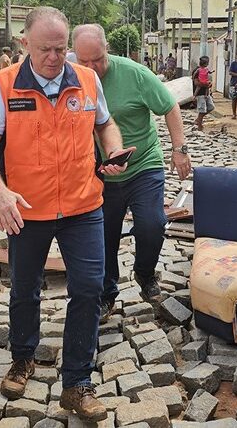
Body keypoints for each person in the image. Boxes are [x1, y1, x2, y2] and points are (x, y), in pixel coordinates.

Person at [0, 7, 132, 422]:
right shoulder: (4, 85)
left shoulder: (86, 79)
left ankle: (77, 383)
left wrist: (113, 150)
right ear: (25, 43)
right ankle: (23, 356)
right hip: (27, 209)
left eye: (62, 49)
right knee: (25, 287)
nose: (54, 57)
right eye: (46, 49)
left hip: (83, 206)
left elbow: (106, 124)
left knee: (89, 288)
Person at [72, 24, 192, 320]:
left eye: (97, 59)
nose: (91, 67)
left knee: (152, 223)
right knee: (104, 236)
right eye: (83, 61)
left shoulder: (135, 74)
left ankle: (145, 274)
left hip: (143, 165)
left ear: (107, 50)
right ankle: (106, 293)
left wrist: (179, 150)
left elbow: (169, 107)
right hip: (99, 171)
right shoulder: (69, 77)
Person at [192, 56, 214, 131]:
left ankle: (198, 119)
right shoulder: (197, 70)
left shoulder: (206, 70)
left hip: (206, 92)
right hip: (200, 93)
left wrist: (209, 84)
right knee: (202, 110)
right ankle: (199, 125)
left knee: (211, 107)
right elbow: (196, 83)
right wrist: (205, 84)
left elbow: (208, 78)